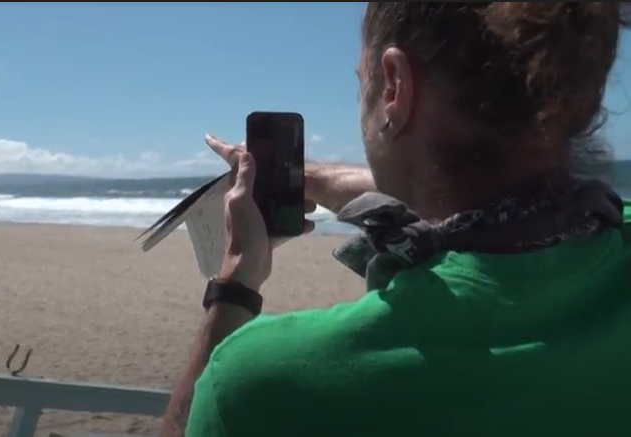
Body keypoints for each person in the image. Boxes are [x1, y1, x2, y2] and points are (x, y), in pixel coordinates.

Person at [161, 3, 631, 437]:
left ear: (394, 86)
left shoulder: (259, 383)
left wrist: (235, 284)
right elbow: (496, 202)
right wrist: (321, 178)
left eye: (360, 81)